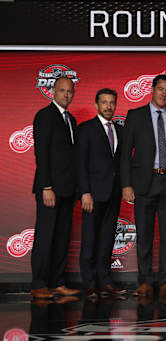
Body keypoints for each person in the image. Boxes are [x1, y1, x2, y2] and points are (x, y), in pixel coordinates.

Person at [120, 74, 166, 297]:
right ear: (152, 89)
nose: (164, 94)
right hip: (145, 182)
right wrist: (126, 184)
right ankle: (144, 281)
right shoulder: (135, 116)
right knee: (144, 234)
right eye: (161, 89)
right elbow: (125, 153)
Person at [30, 76, 80, 299]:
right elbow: (41, 153)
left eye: (70, 91)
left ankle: (57, 282)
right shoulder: (44, 116)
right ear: (53, 92)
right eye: (62, 91)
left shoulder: (71, 120)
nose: (66, 95)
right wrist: (46, 186)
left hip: (68, 190)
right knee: (45, 236)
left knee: (61, 238)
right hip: (49, 189)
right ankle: (39, 284)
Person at [77, 88, 126, 298]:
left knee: (107, 240)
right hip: (93, 195)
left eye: (111, 103)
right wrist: (85, 192)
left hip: (113, 194)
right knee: (89, 239)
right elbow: (80, 163)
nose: (108, 106)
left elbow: (121, 163)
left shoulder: (120, 130)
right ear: (96, 105)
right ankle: (89, 284)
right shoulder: (86, 129)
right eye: (104, 102)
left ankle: (105, 281)